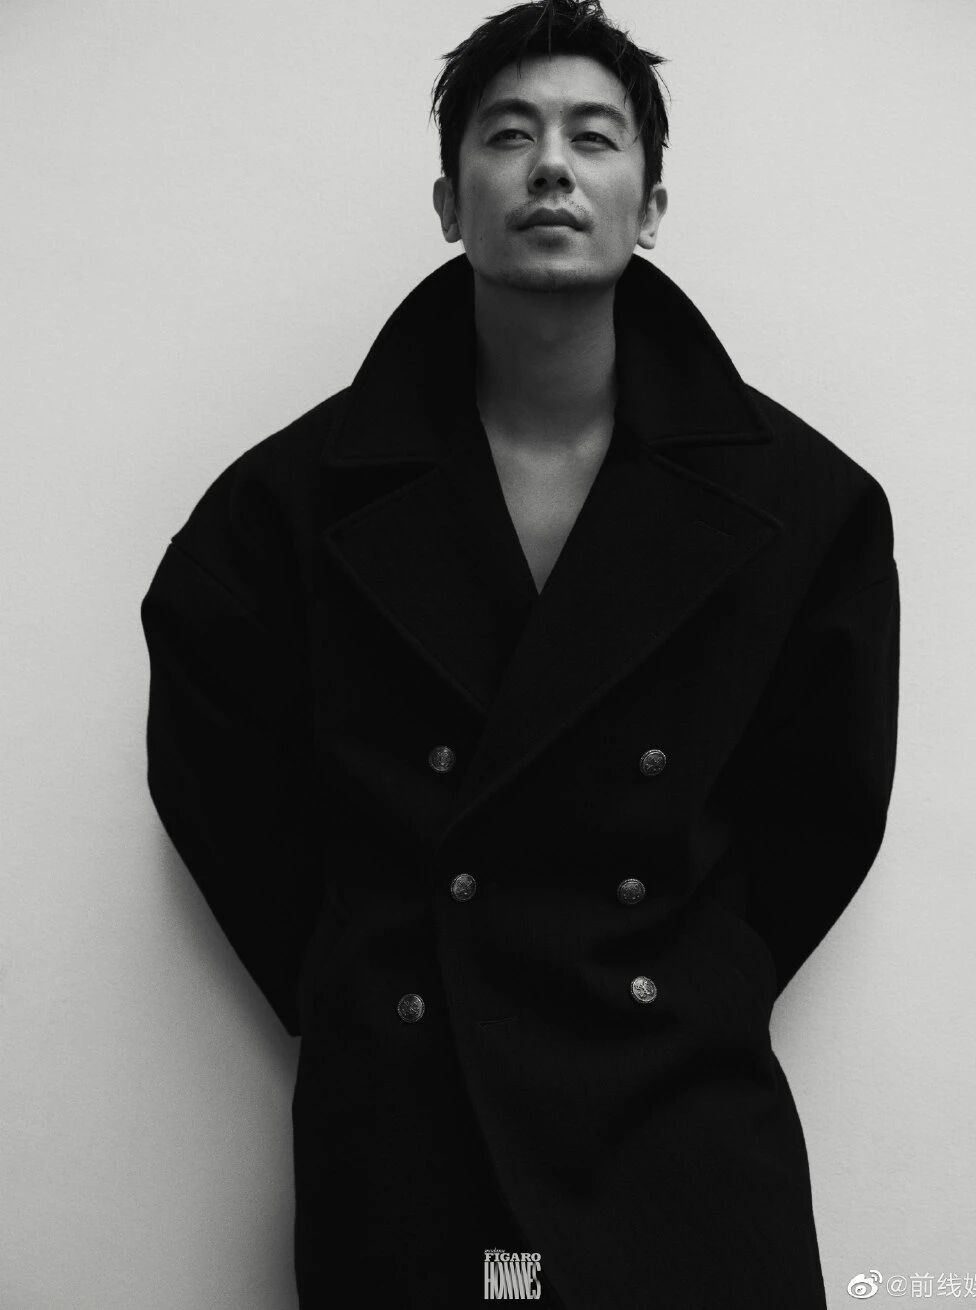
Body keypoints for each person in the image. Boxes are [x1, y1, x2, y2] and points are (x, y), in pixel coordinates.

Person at [140, 1, 900, 1306]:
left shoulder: (807, 505)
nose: (551, 165)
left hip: (679, 1130)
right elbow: (223, 787)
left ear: (651, 205)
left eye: (594, 137)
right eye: (508, 135)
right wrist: (373, 977)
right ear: (450, 203)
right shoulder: (284, 506)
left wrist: (688, 977)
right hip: (410, 1135)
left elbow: (825, 808)